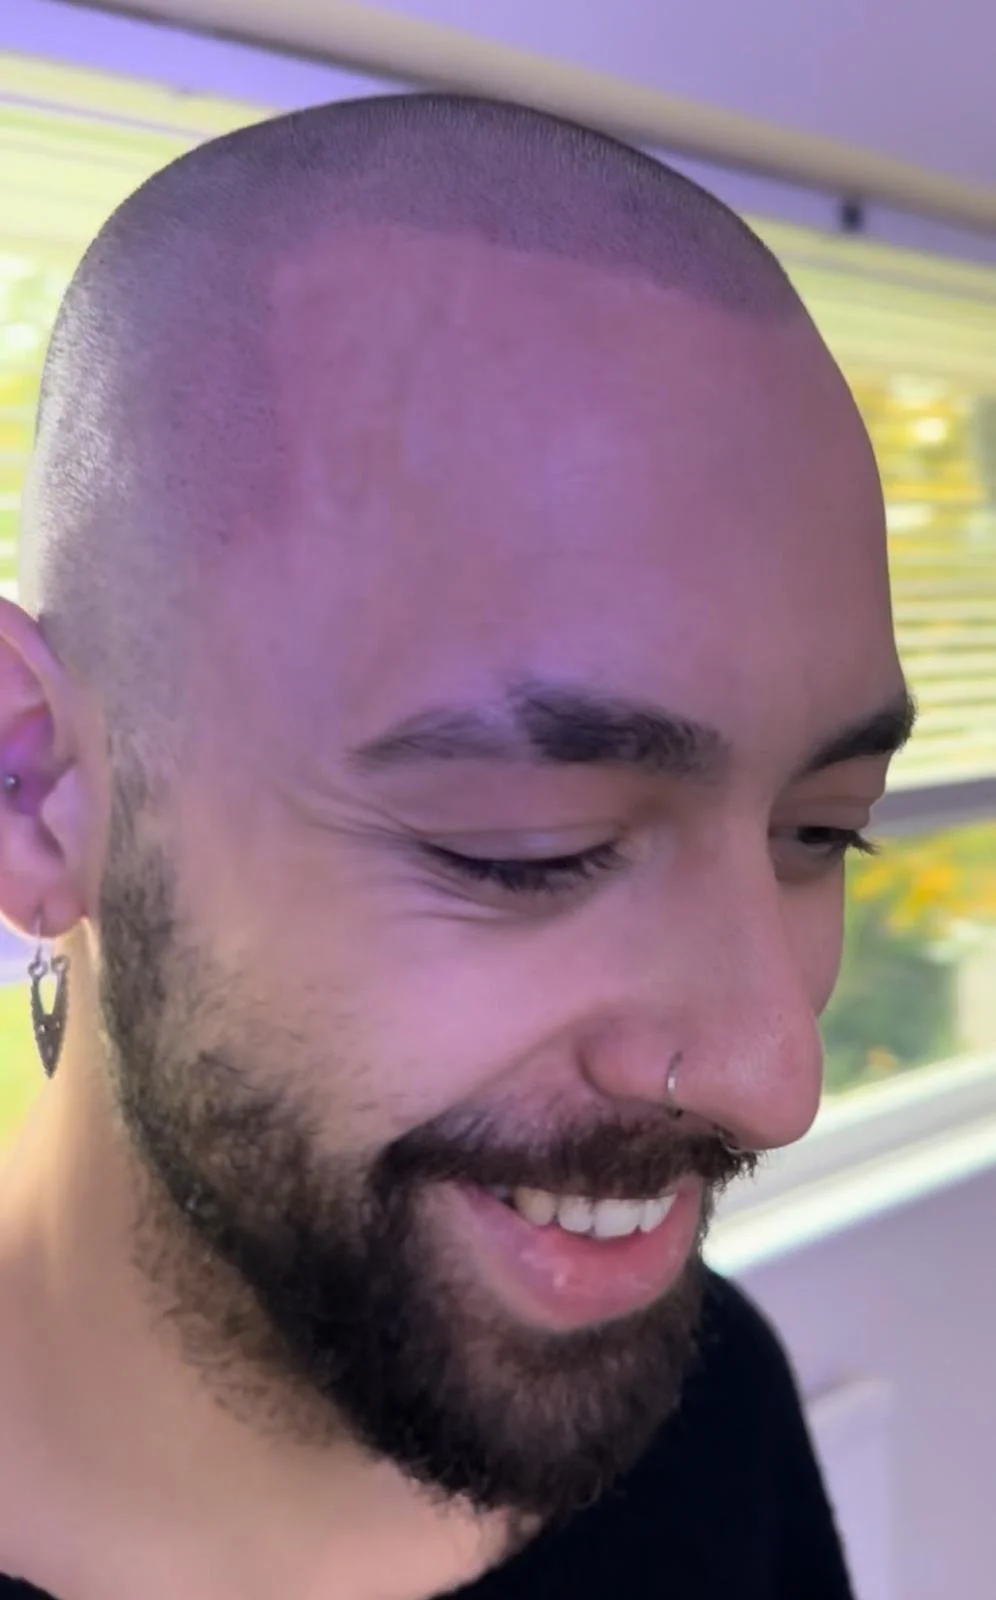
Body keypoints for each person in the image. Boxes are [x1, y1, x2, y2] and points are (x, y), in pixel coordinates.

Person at [0, 92, 915, 1600]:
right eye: (532, 849)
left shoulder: (708, 1412)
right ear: (37, 791)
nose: (776, 1078)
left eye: (821, 833)